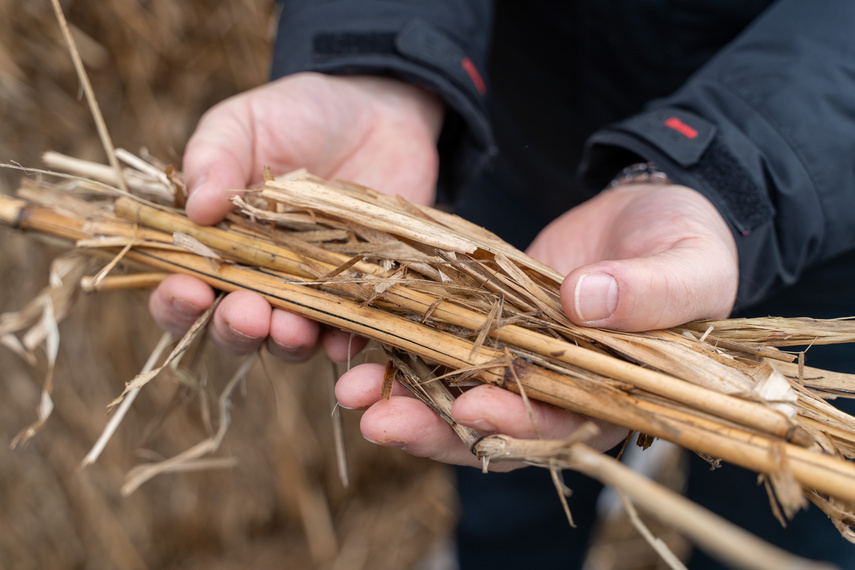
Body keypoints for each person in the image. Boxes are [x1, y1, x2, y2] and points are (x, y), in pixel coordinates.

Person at [149, 1, 855, 567]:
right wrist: (380, 55)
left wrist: (731, 175)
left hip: (817, 191)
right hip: (514, 147)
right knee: (494, 443)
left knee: (774, 509)